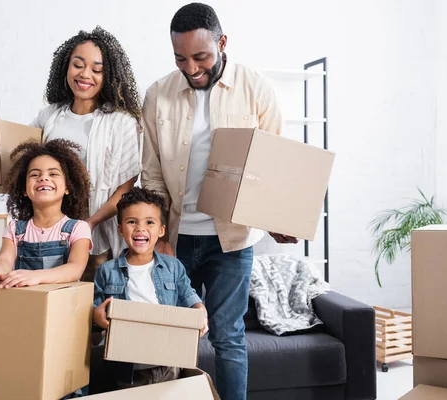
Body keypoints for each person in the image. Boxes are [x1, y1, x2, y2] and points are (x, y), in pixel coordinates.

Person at [141, 3, 297, 399]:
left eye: (201, 57)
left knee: (228, 337)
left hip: (232, 239)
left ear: (222, 43)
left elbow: (276, 161)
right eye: (180, 58)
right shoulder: (158, 94)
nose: (191, 68)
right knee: (171, 339)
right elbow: (153, 172)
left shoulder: (255, 87)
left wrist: (281, 219)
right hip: (176, 239)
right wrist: (159, 235)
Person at [0, 27, 142, 283]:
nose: (85, 74)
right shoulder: (50, 116)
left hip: (93, 237)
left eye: (96, 70)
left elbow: (125, 189)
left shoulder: (121, 123)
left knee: (88, 310)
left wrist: (90, 223)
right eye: (78, 65)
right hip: (45, 232)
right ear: (66, 66)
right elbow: (25, 164)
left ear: (108, 75)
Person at [93, 187, 208, 388]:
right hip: (126, 367)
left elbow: (188, 294)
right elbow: (95, 312)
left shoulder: (172, 266)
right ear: (120, 229)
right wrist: (97, 318)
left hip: (168, 363)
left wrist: (200, 311)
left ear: (161, 230)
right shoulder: (106, 271)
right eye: (132, 222)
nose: (140, 228)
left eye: (149, 222)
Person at [0, 139, 92, 292]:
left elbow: (75, 269)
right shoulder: (15, 229)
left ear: (67, 187)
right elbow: (5, 259)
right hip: (24, 305)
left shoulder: (78, 228)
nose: (43, 178)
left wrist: (36, 277)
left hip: (61, 309)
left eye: (53, 173)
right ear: (24, 189)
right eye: (35, 174)